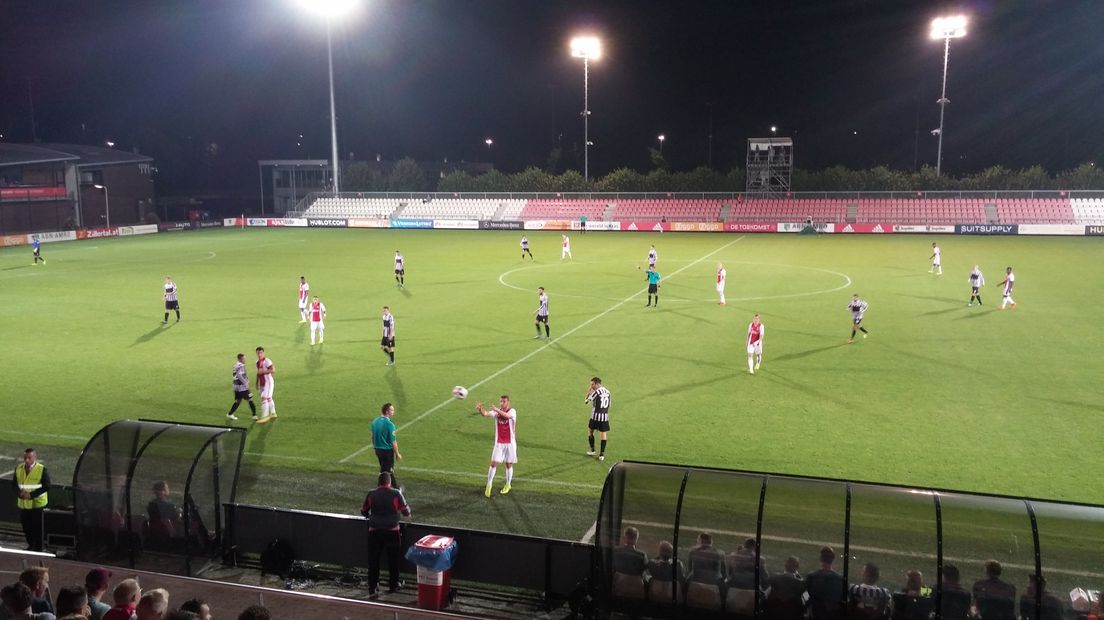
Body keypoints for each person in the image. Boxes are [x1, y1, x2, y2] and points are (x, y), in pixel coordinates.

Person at [361, 472, 411, 597]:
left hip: (374, 531)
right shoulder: (396, 494)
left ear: (378, 483)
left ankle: (373, 587)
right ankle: (393, 585)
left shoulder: (371, 494)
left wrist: (371, 516)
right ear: (389, 482)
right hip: (392, 531)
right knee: (393, 560)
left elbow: (364, 511)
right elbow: (406, 512)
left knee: (373, 560)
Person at [476, 395, 517, 497]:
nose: (501, 403)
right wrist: (480, 409)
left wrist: (496, 410)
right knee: (493, 463)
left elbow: (507, 416)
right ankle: (489, 485)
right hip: (499, 443)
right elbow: (485, 414)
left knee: (508, 465)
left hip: (510, 443)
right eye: (500, 402)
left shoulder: (512, 411)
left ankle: (508, 484)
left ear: (508, 402)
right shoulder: (497, 412)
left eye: (503, 402)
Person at [13, 448, 50, 552]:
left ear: (35, 458)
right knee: (26, 528)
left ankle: (38, 548)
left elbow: (47, 486)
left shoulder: (42, 469)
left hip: (37, 504)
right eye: (25, 457)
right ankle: (31, 546)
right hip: (23, 505)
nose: (27, 460)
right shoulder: (18, 468)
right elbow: (14, 485)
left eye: (29, 457)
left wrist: (31, 495)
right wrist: (19, 493)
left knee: (37, 528)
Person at [805, 546, 846, 620]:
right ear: (833, 559)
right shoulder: (840, 579)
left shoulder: (812, 577)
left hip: (816, 614)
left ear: (820, 558)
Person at [371, 403, 402, 490]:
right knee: (385, 471)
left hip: (378, 450)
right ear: (387, 411)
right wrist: (397, 453)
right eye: (392, 410)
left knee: (387, 469)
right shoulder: (390, 424)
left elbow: (372, 437)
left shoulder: (375, 422)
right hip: (387, 452)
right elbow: (393, 441)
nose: (393, 411)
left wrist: (375, 447)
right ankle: (380, 489)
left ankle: (395, 487)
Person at [584, 377, 611, 461]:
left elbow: (586, 401)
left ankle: (592, 450)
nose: (591, 386)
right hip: (604, 417)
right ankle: (602, 454)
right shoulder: (608, 392)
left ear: (597, 384)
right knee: (603, 434)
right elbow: (609, 404)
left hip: (595, 416)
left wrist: (589, 391)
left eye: (592, 384)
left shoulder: (596, 392)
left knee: (590, 431)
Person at [227, 353, 257, 422]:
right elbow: (240, 375)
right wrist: (246, 383)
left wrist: (247, 379)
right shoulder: (241, 366)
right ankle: (254, 415)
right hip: (242, 387)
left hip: (236, 387)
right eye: (244, 359)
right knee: (250, 399)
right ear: (240, 359)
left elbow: (239, 375)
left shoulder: (236, 365)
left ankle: (230, 414)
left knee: (238, 401)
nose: (245, 360)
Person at [254, 347, 276, 423]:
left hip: (268, 382)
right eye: (258, 353)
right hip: (262, 383)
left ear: (263, 353)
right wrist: (257, 383)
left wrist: (263, 371)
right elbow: (258, 373)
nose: (259, 354)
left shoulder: (267, 361)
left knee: (264, 398)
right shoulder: (257, 362)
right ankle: (273, 413)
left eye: (261, 352)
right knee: (269, 398)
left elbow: (273, 370)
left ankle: (264, 417)